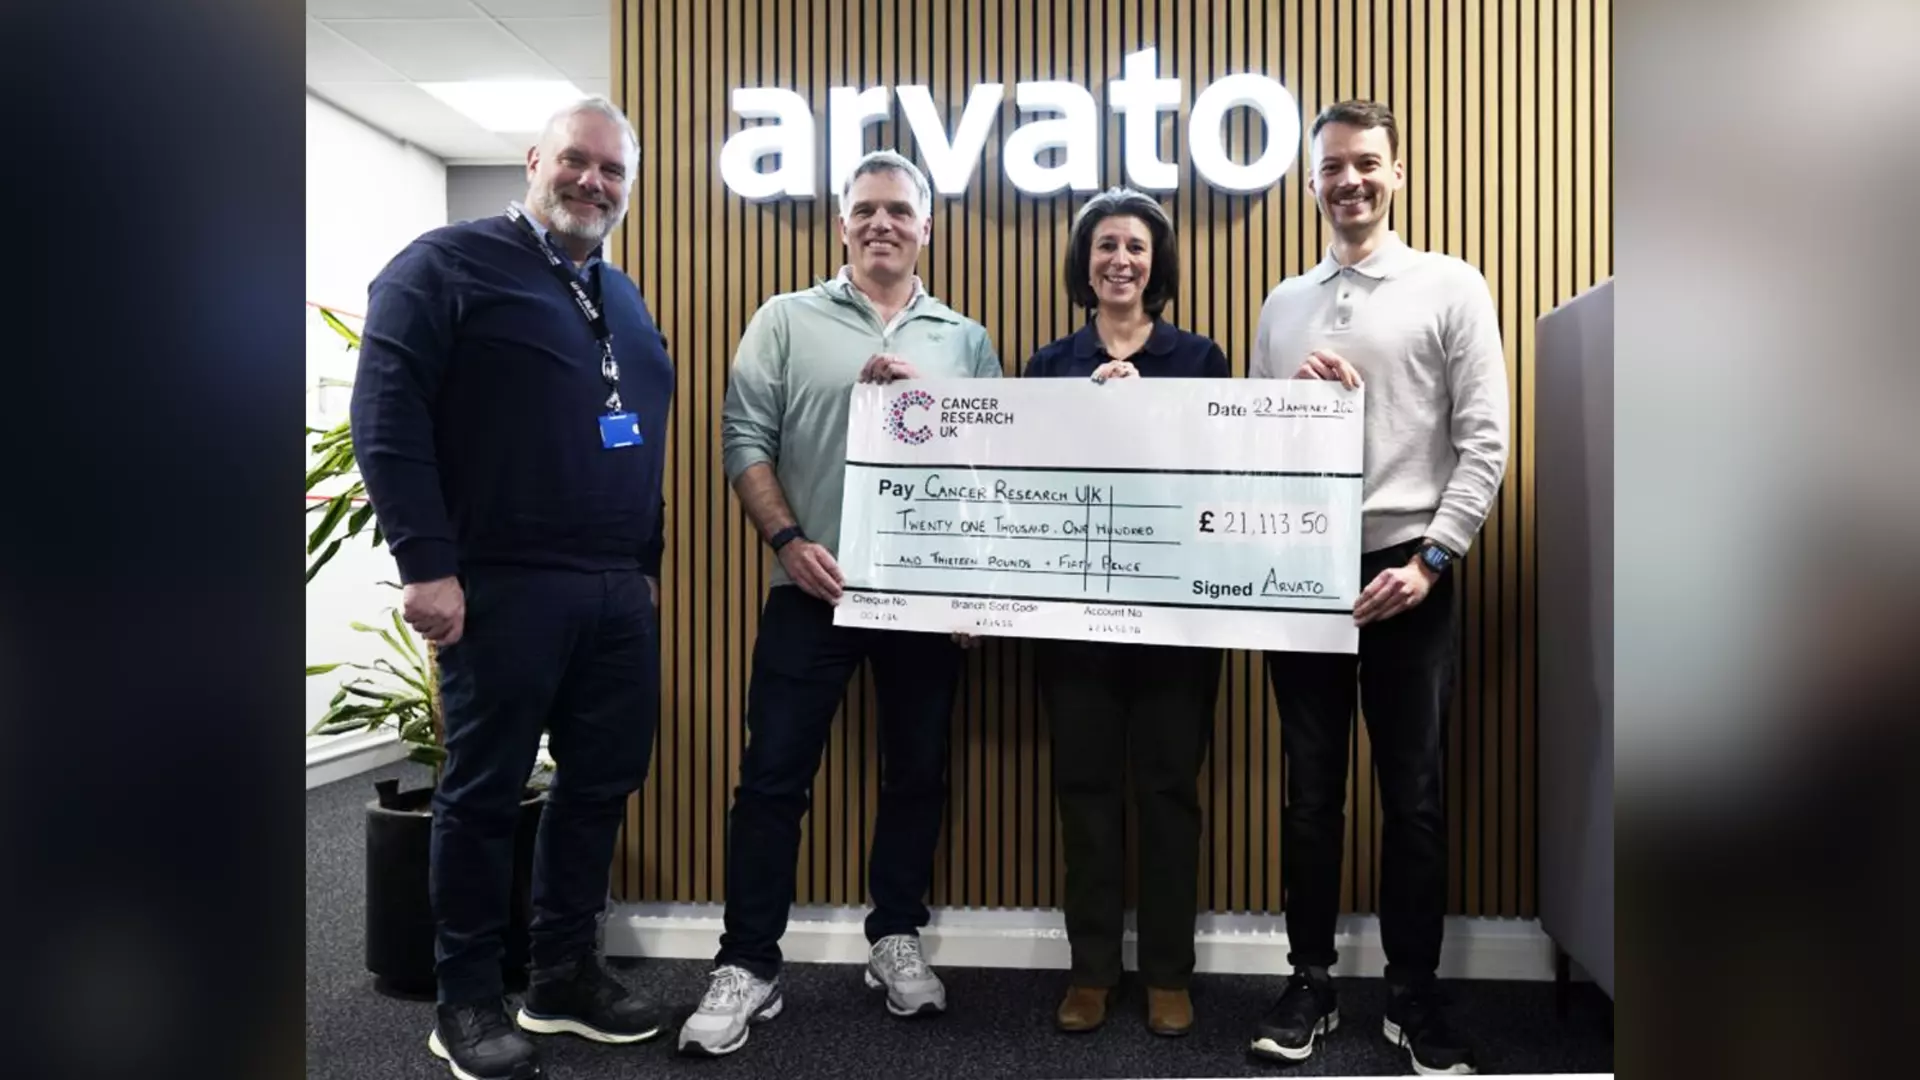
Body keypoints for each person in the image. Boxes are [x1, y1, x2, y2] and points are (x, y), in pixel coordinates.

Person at [351, 96, 676, 1080]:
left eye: (613, 172)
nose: (593, 183)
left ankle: (563, 975)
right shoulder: (445, 265)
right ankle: (465, 1001)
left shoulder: (614, 293)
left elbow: (638, 433)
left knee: (600, 785)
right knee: (486, 794)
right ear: (534, 160)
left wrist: (644, 572)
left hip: (615, 592)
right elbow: (388, 411)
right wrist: (427, 566)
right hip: (499, 587)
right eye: (577, 162)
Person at [676, 150, 1002, 1057]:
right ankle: (749, 965)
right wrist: (788, 541)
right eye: (865, 210)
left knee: (918, 773)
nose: (881, 223)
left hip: (923, 601)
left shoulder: (964, 339)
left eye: (900, 210)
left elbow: (994, 470)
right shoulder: (785, 319)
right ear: (843, 224)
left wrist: (929, 413)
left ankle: (894, 937)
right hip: (807, 589)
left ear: (927, 226)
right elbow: (744, 438)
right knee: (773, 778)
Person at [1246, 100, 1509, 1075]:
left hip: (1414, 575)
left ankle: (1412, 996)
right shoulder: (1283, 305)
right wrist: (1297, 413)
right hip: (1304, 574)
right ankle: (1310, 982)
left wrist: (1432, 559)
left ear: (1396, 174)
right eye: (1331, 168)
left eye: (1366, 164)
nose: (1348, 181)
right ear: (1310, 183)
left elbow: (1485, 441)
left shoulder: (1449, 287)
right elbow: (1256, 451)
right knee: (1309, 797)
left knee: (1416, 799)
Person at [1020, 187, 1227, 1038]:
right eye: (1106, 245)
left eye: (1135, 247)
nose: (1120, 260)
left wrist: (1147, 412)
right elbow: (1026, 483)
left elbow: (1223, 470)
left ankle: (1170, 971)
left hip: (1178, 617)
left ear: (1156, 263)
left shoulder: (1201, 358)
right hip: (1076, 618)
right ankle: (1094, 969)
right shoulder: (1049, 365)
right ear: (1085, 261)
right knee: (1085, 789)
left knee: (1171, 790)